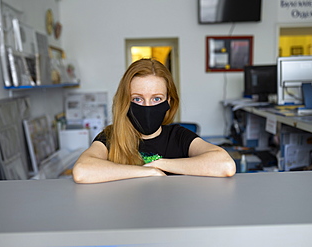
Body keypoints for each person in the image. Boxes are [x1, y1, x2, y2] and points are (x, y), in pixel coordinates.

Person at [73, 58, 236, 183]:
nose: (147, 106)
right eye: (137, 99)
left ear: (169, 102)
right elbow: (82, 171)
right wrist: (148, 172)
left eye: (157, 98)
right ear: (125, 102)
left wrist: (160, 164)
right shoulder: (110, 137)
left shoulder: (178, 136)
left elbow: (225, 165)